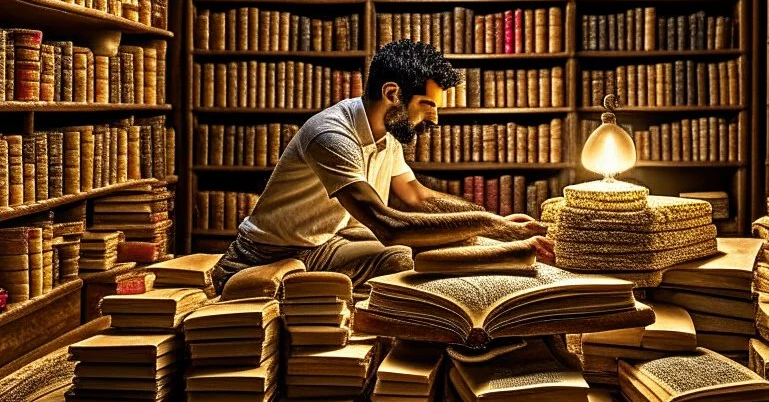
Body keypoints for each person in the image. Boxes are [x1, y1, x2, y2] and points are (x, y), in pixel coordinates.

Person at [214, 39, 553, 291]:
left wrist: (496, 223)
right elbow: (388, 226)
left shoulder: (386, 134)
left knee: (438, 247)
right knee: (405, 256)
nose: (433, 119)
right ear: (393, 94)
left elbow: (418, 196)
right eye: (426, 105)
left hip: (325, 243)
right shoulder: (332, 134)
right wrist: (487, 225)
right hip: (266, 255)